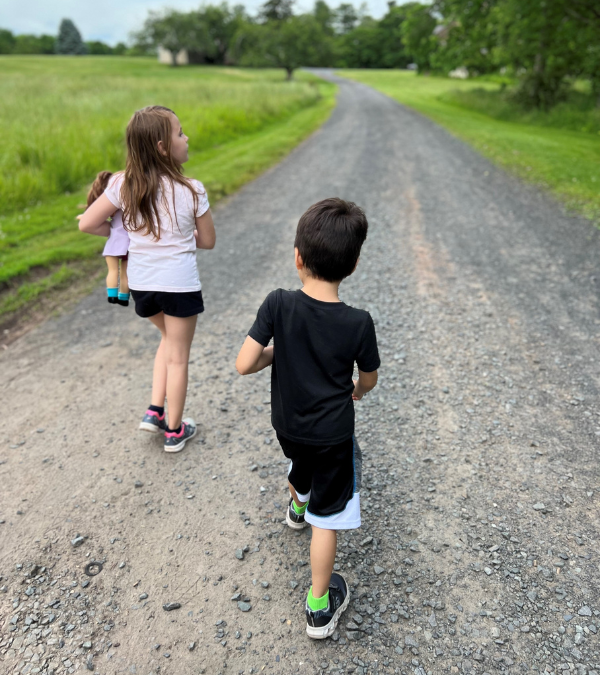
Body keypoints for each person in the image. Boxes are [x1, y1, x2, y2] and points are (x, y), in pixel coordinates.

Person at [235, 198, 380, 639]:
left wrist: (283, 350)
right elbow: (369, 379)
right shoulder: (358, 322)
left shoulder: (278, 304)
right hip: (332, 434)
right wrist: (356, 390)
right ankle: (319, 606)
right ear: (353, 264)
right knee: (329, 518)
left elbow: (244, 363)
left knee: (300, 462)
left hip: (288, 425)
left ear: (297, 257)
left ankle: (297, 506)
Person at [79, 106, 215, 453]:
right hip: (179, 286)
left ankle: (154, 410)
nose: (187, 138)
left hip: (143, 286)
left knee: (167, 341)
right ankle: (174, 431)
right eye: (180, 133)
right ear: (161, 146)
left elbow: (88, 224)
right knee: (179, 356)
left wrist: (127, 237)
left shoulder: (122, 184)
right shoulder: (192, 189)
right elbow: (208, 240)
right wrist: (180, 238)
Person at [81, 170, 131, 306]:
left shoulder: (112, 209)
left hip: (114, 243)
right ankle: (124, 297)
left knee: (113, 270)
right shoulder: (128, 205)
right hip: (128, 245)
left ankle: (112, 296)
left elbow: (94, 219)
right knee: (125, 273)